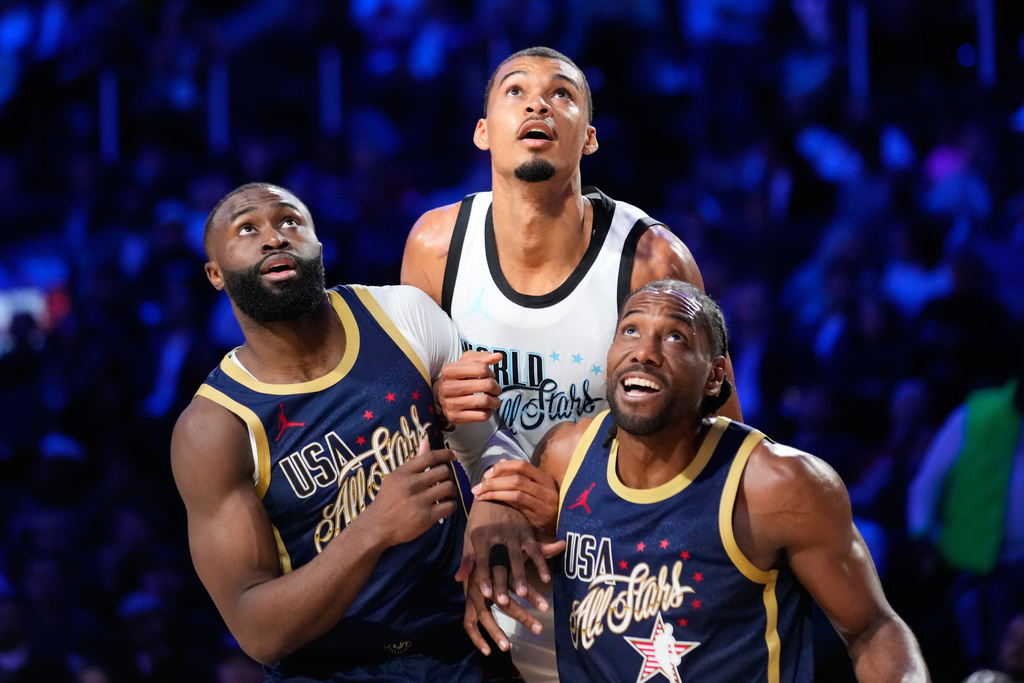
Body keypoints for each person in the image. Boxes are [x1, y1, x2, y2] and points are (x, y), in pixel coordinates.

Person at [400, 45, 742, 681]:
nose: (537, 103)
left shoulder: (651, 261)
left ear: (587, 137)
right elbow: (411, 428)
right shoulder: (434, 247)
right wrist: (483, 494)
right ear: (483, 132)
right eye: (515, 91)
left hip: (617, 562)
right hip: (478, 559)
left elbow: (715, 449)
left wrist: (567, 504)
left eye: (561, 93)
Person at [474, 279, 930, 682]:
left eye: (674, 337)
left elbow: (873, 629)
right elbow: (513, 570)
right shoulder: (562, 458)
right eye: (630, 330)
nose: (645, 351)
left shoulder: (778, 484)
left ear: (714, 377)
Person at [170, 182, 529, 681]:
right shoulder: (214, 427)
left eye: (290, 221)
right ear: (215, 273)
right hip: (332, 669)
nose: (274, 237)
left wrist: (491, 504)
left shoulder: (403, 315)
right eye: (247, 228)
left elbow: (491, 446)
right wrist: (374, 529)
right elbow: (258, 632)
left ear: (319, 245)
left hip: (465, 647)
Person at [908, 357, 1024, 674]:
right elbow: (926, 485)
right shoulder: (976, 416)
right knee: (989, 653)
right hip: (977, 567)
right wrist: (922, 537)